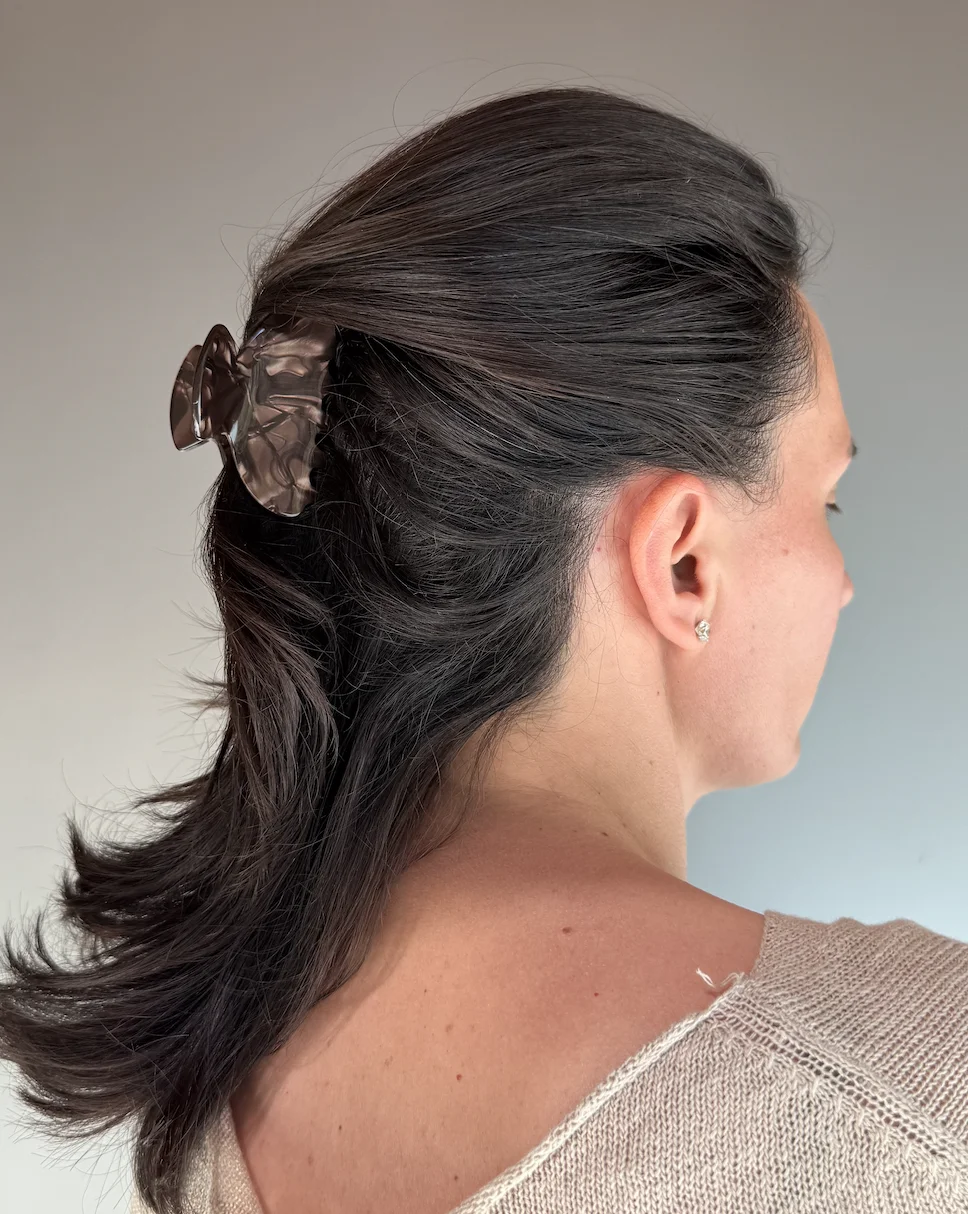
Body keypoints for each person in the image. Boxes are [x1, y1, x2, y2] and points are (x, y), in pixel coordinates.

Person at [2, 84, 966, 1214]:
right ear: (681, 561)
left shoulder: (222, 1094)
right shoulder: (911, 1089)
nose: (843, 579)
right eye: (826, 500)